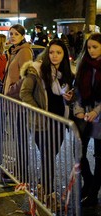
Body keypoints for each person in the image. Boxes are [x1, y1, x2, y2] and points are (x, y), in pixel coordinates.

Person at [20, 39, 74, 197]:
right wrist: (39, 112)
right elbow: (25, 93)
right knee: (48, 156)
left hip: (59, 122)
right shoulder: (36, 70)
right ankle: (48, 192)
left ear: (64, 55)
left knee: (50, 156)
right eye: (51, 52)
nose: (54, 56)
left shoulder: (66, 73)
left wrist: (70, 98)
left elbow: (67, 96)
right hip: (42, 123)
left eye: (58, 53)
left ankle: (42, 184)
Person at [73, 32, 101, 207]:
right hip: (84, 114)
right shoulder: (84, 65)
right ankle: (88, 182)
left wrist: (96, 112)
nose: (91, 50)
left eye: (95, 47)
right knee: (80, 152)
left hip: (99, 115)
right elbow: (77, 91)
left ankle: (93, 193)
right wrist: (78, 109)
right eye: (89, 47)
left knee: (99, 157)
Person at [4, 24, 33, 96]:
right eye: (11, 34)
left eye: (16, 34)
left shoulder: (25, 51)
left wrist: (12, 89)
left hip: (16, 96)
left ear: (23, 36)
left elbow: (26, 77)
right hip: (10, 95)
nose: (13, 36)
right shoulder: (12, 51)